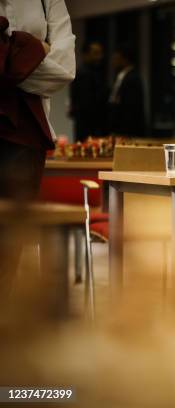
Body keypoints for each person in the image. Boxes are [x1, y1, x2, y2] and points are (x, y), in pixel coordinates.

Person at [0, 0, 75, 295]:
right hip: (23, 132)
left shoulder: (48, 0)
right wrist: (35, 50)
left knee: (10, 244)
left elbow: (64, 70)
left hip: (26, 136)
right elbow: (49, 68)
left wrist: (6, 58)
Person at [69, 41, 107, 141]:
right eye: (95, 53)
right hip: (87, 126)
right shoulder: (83, 74)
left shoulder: (97, 73)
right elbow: (85, 103)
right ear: (85, 54)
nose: (99, 57)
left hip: (93, 125)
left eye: (100, 53)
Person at [108, 43, 145, 137]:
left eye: (116, 58)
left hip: (127, 129)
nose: (113, 60)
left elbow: (131, 107)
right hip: (119, 127)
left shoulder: (133, 78)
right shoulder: (121, 76)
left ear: (124, 59)